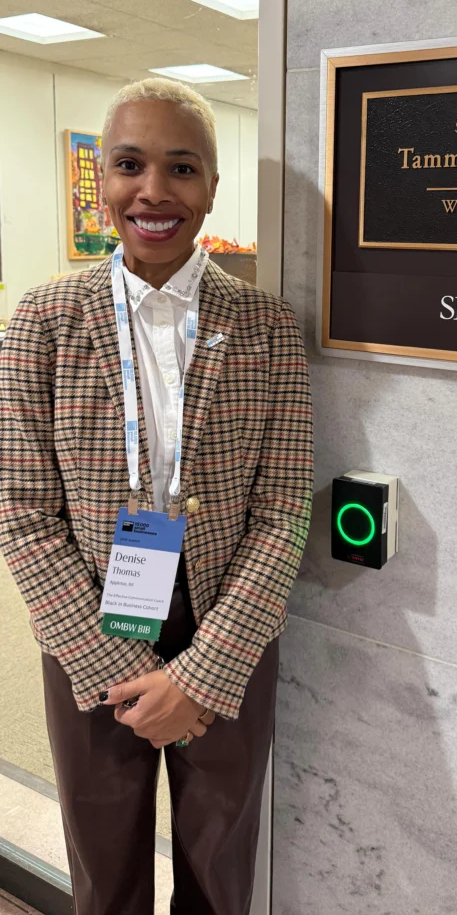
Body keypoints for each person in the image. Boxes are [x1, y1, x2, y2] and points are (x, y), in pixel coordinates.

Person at [0, 78, 314, 915]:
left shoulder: (267, 327)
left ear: (212, 186)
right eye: (130, 165)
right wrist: (113, 665)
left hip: (228, 629)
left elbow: (284, 506)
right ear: (99, 180)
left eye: (182, 168)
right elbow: (22, 511)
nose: (154, 191)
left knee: (221, 864)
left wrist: (205, 675)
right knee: (104, 870)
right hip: (92, 627)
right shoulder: (44, 319)